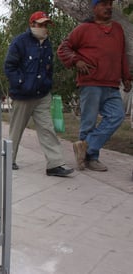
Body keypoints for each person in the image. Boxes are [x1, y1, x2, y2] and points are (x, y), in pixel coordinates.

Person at [57, 0, 132, 171]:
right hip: (90, 82)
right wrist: (76, 61)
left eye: (110, 4)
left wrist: (126, 77)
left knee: (117, 116)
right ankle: (91, 159)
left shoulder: (118, 29)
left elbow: (121, 56)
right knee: (88, 122)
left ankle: (86, 147)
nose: (108, 7)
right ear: (94, 8)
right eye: (103, 4)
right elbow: (63, 49)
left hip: (112, 84)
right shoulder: (84, 29)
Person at [4, 11, 74, 177]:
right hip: (23, 95)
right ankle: (8, 160)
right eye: (41, 24)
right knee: (16, 130)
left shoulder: (47, 44)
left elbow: (49, 68)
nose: (44, 28)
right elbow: (9, 66)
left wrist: (47, 84)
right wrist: (21, 83)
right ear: (32, 24)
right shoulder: (20, 42)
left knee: (47, 129)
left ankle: (55, 164)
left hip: (42, 95)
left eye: (46, 25)